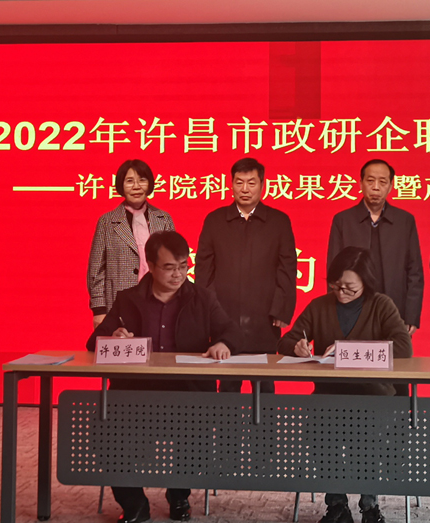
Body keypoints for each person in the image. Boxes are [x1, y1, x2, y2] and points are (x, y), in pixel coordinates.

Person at [87, 230, 240, 523]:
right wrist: (114, 337)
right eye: (169, 267)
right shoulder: (128, 299)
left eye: (183, 266)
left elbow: (231, 331)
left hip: (188, 393)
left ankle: (179, 495)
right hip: (135, 394)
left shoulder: (202, 297)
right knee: (106, 433)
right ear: (151, 265)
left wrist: (223, 343)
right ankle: (134, 504)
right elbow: (94, 341)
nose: (178, 274)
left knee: (196, 435)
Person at [279, 247, 412, 523]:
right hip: (330, 394)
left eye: (350, 288)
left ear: (366, 283)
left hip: (373, 396)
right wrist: (296, 346)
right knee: (320, 434)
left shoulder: (381, 305)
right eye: (336, 286)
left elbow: (403, 347)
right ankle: (337, 504)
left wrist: (348, 350)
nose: (342, 292)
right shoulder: (320, 306)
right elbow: (286, 340)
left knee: (366, 438)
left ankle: (370, 505)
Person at [195, 157, 297, 393]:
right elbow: (203, 269)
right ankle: (226, 420)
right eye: (239, 182)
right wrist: (209, 311)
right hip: (224, 315)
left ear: (262, 184)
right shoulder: (215, 220)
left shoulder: (279, 221)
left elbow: (287, 267)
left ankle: (266, 420)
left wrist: (282, 309)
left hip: (265, 317)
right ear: (231, 184)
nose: (245, 189)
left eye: (251, 183)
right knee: (228, 384)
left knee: (265, 385)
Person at [327, 159, 423, 336]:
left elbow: (414, 271)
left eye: (383, 182)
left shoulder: (404, 221)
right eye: (370, 181)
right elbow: (333, 271)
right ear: (361, 183)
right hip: (351, 310)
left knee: (394, 353)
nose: (376, 187)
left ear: (391, 186)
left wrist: (411, 315)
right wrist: (334, 314)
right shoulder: (343, 220)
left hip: (395, 310)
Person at [87, 159, 175, 328]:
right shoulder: (107, 222)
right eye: (129, 181)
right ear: (121, 185)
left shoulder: (164, 219)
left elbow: (174, 263)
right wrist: (99, 310)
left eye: (142, 180)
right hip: (119, 304)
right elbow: (96, 270)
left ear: (149, 184)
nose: (136, 186)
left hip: (160, 302)